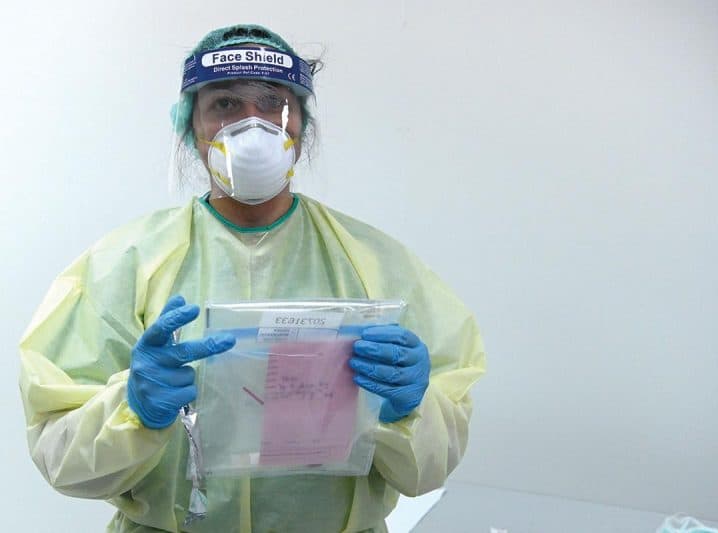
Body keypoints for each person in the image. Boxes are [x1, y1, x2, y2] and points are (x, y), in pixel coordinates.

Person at [18, 24, 485, 532]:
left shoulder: (375, 265)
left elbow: (431, 467)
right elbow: (60, 456)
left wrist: (409, 409)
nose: (252, 125)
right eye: (224, 104)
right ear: (190, 127)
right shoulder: (122, 265)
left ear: (302, 126)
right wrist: (131, 407)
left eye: (273, 103)